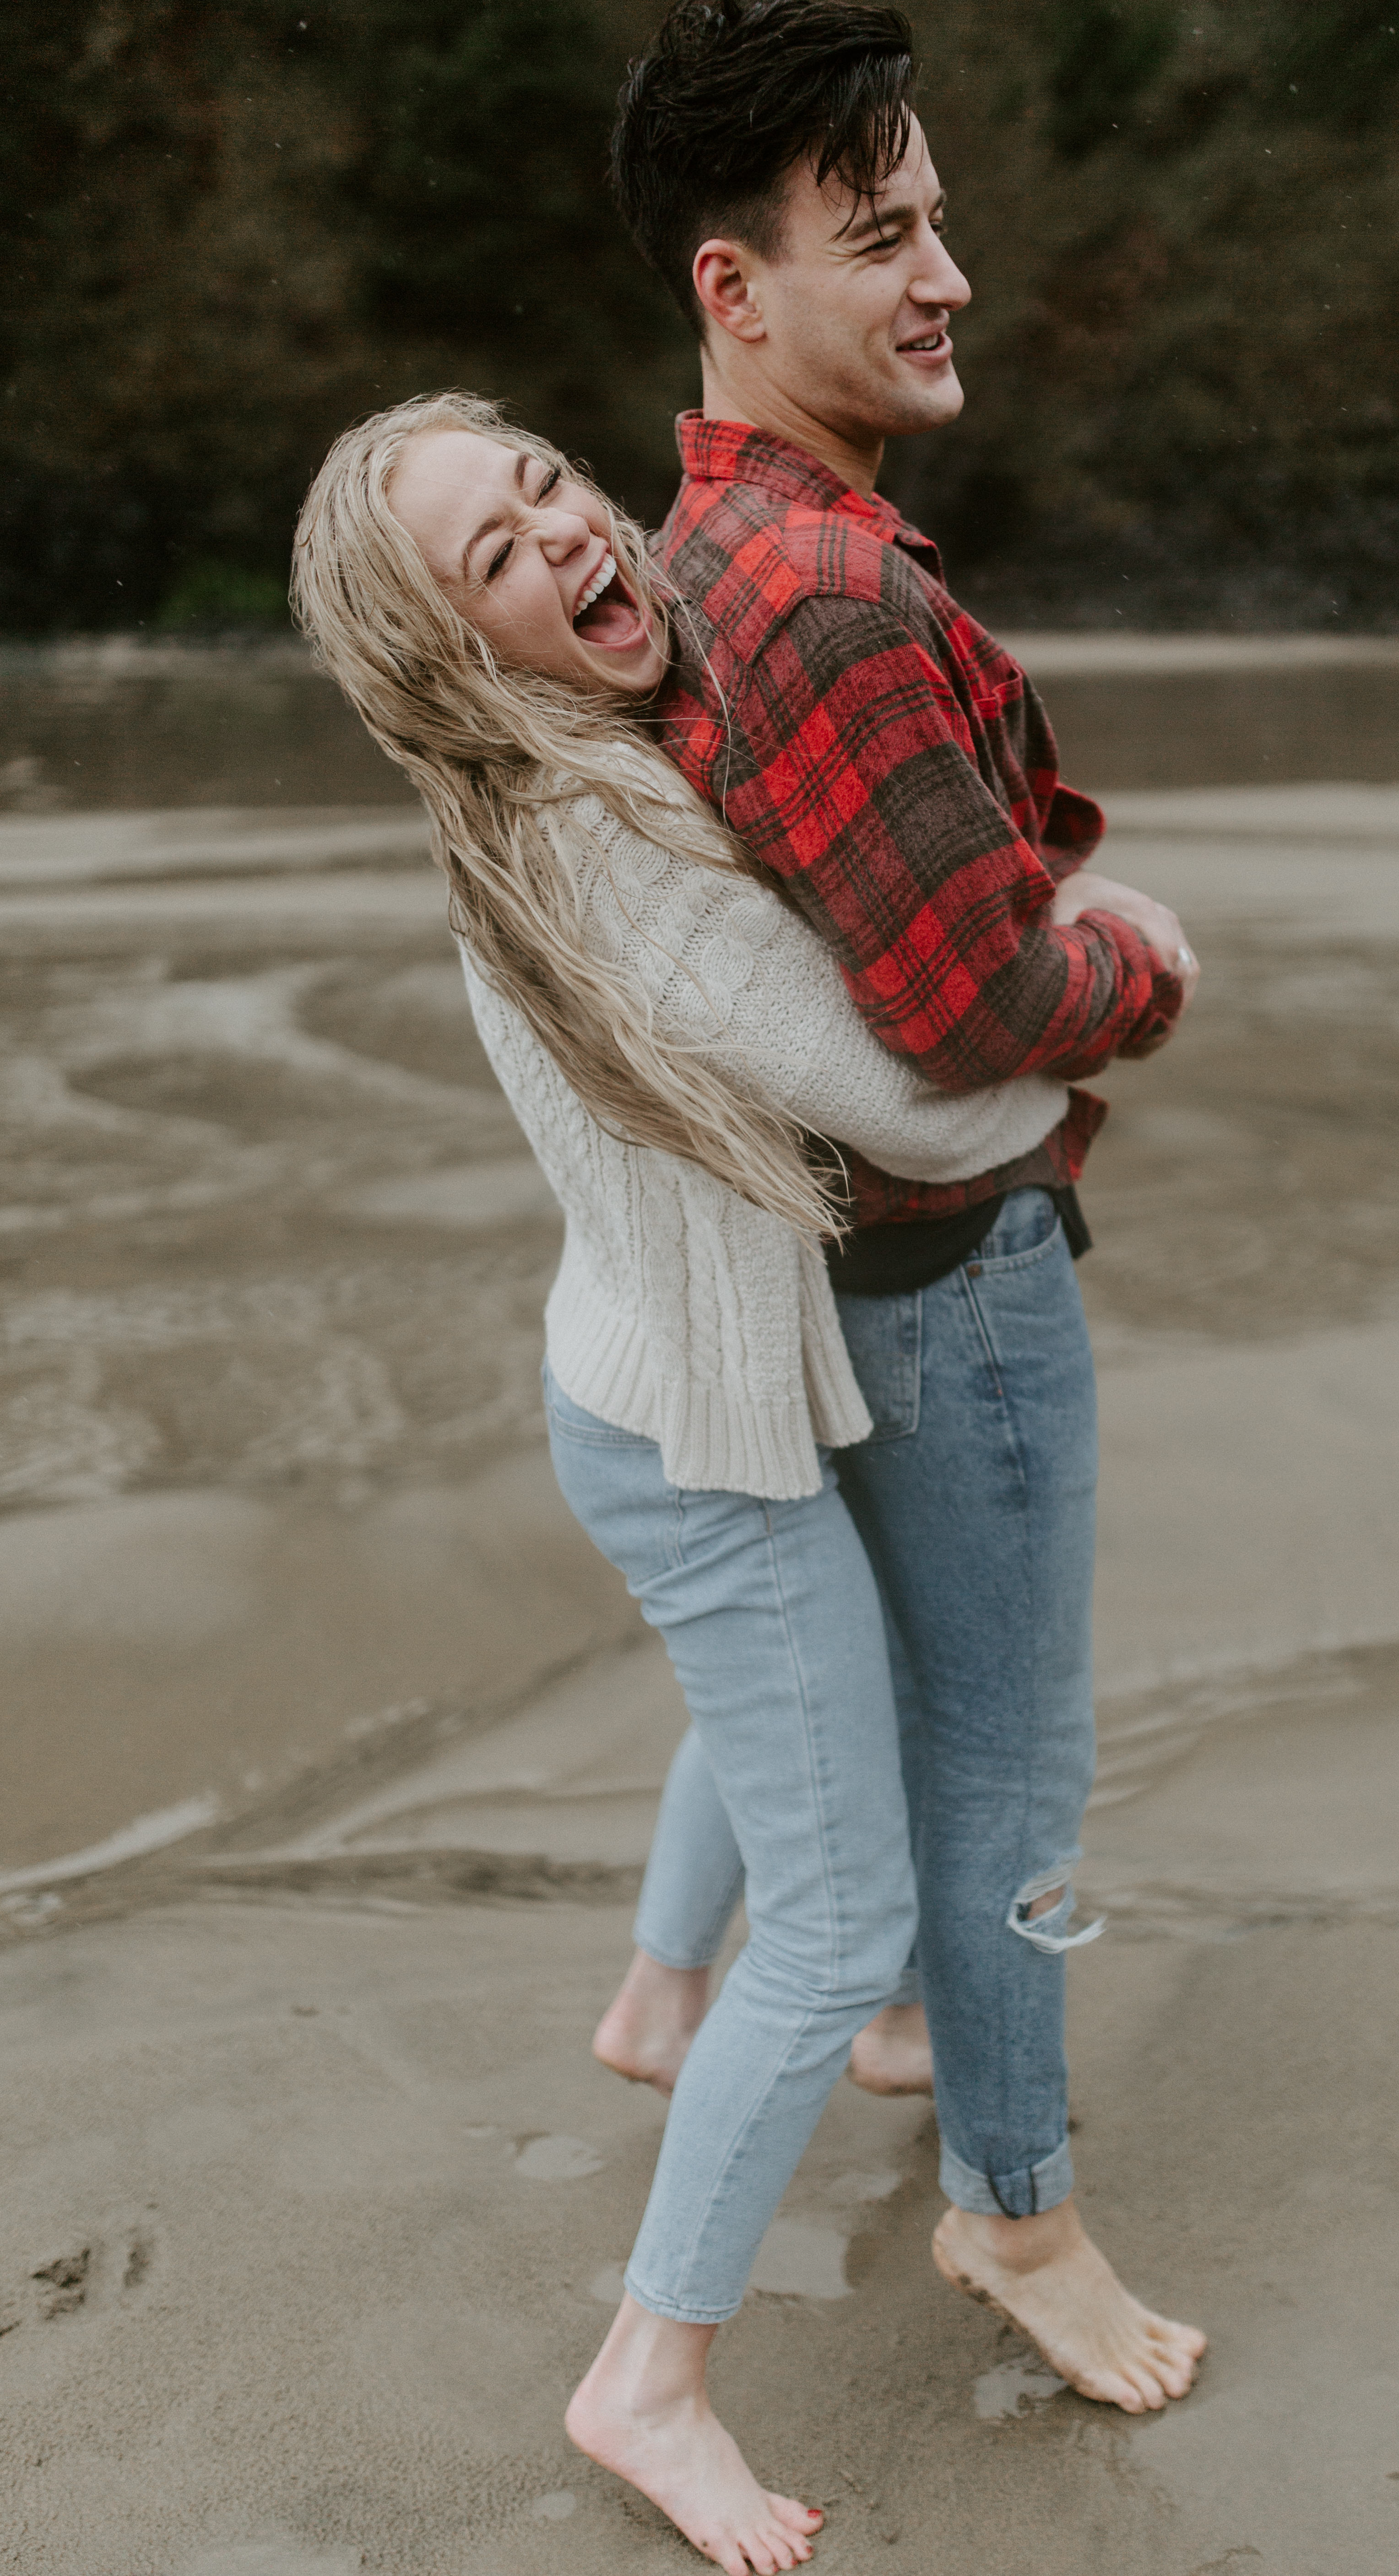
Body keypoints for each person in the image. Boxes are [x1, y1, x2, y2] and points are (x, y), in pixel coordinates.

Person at [291, 389, 1118, 2576]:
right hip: (702, 1430)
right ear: (448, 657)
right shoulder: (602, 838)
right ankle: (646, 2374)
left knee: (791, 1721)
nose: (562, 535)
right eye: (490, 556)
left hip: (676, 1380)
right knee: (845, 1917)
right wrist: (1137, 967)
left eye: (548, 482)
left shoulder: (566, 778)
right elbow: (930, 1110)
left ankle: (659, 1991)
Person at [600, 0, 1209, 2455]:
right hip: (952, 1296)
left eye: (935, 216)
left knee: (923, 1738)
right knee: (1016, 1785)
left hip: (828, 1271)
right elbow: (967, 1000)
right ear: (735, 291)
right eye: (883, 238)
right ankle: (1019, 2208)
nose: (944, 271)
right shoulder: (825, 588)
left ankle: (882, 2033)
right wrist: (1145, 961)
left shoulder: (697, 559)